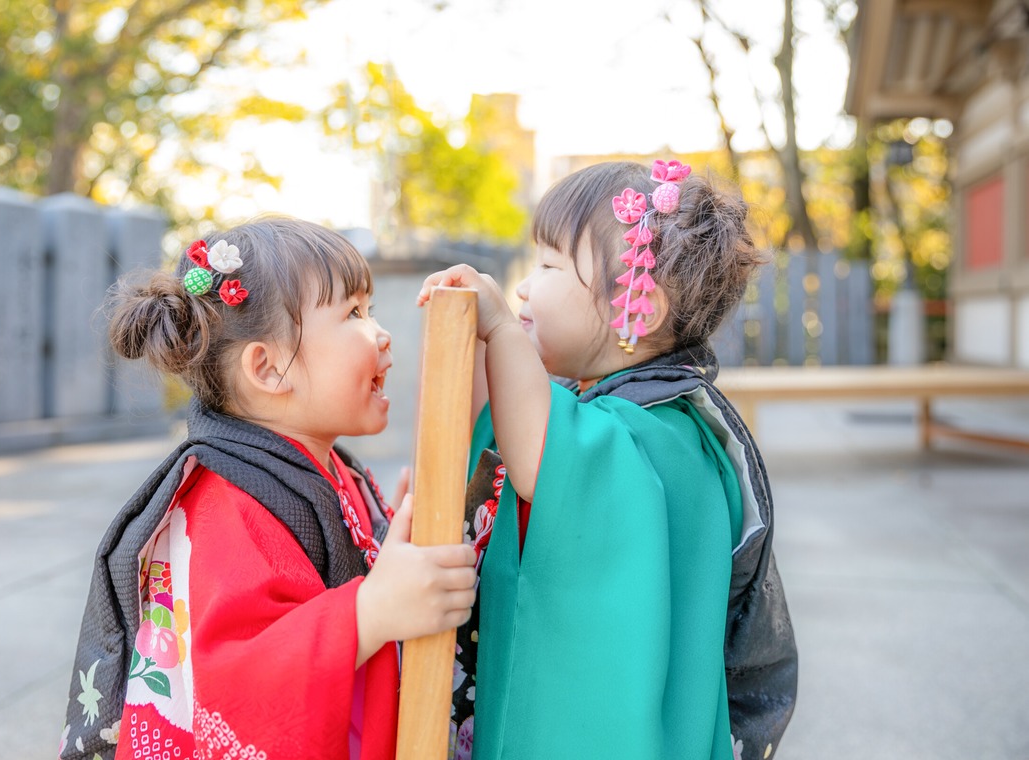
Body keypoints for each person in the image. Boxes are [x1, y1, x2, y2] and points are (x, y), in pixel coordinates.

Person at [419, 160, 797, 760]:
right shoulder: (613, 411)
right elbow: (503, 425)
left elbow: (546, 457)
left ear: (637, 307)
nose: (524, 288)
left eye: (548, 266)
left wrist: (502, 331)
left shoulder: (660, 437)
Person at [60, 217, 477, 760]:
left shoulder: (320, 468)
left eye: (369, 310)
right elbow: (241, 674)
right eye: (353, 314)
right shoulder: (226, 501)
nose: (381, 332)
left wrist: (385, 538)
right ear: (270, 369)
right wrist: (371, 611)